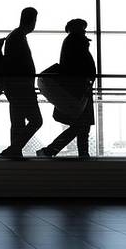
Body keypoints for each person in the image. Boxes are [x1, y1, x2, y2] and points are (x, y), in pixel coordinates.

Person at [37, 18, 96, 158]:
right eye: (83, 28)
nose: (85, 31)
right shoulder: (76, 41)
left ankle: (78, 153)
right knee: (82, 125)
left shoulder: (71, 41)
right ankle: (51, 151)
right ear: (77, 29)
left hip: (78, 89)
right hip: (79, 90)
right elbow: (79, 66)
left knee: (81, 125)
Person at [0, 7, 43, 159]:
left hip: (16, 87)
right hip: (21, 88)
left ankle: (14, 151)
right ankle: (14, 149)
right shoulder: (17, 37)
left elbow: (8, 64)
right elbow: (11, 64)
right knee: (36, 120)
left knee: (18, 122)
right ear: (31, 20)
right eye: (35, 20)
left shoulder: (15, 36)